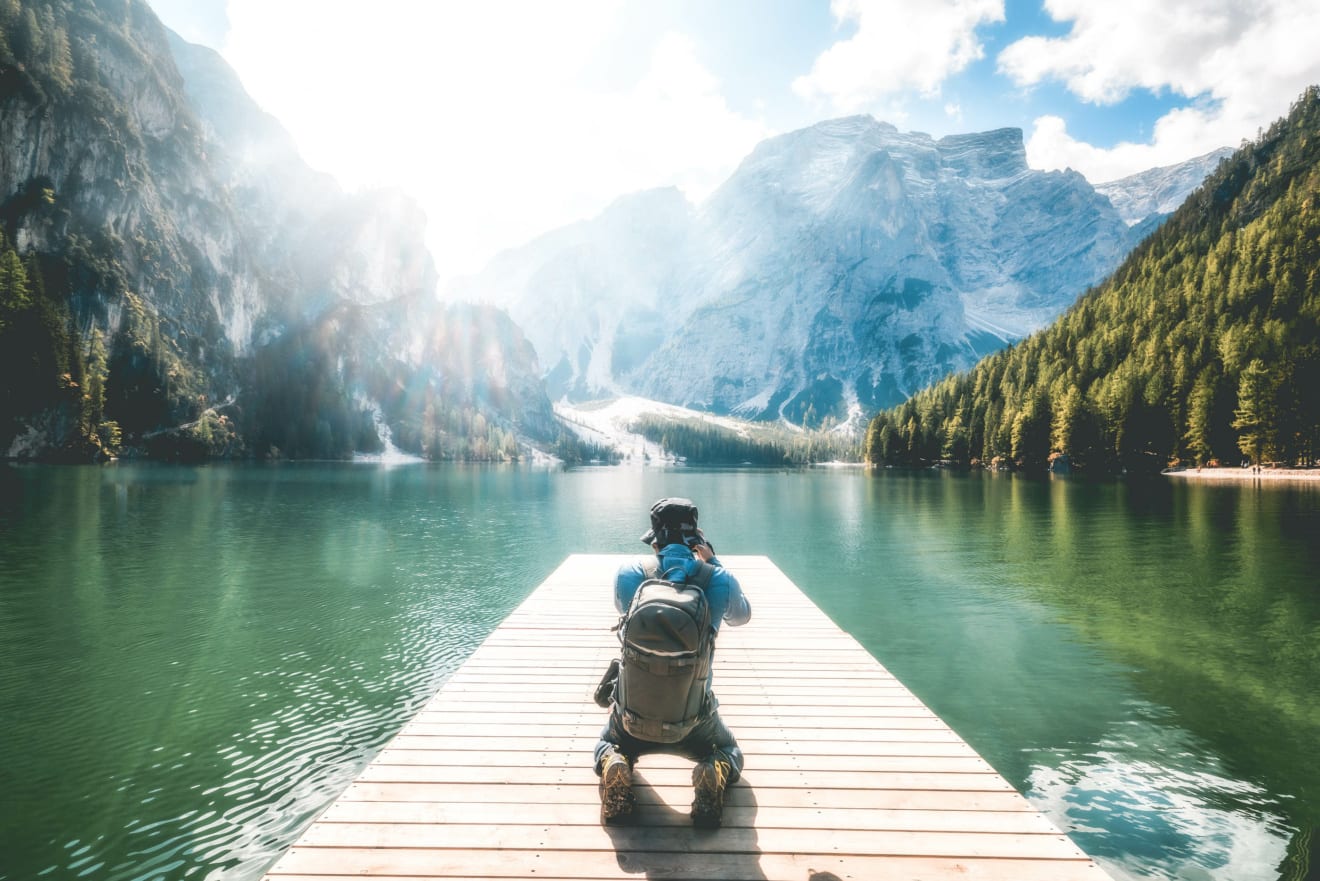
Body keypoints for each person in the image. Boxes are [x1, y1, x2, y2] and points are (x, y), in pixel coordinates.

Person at [593, 497, 752, 828]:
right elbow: (742, 616)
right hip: (695, 720)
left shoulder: (629, 575)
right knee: (730, 750)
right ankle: (714, 769)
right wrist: (713, 561)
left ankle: (614, 761)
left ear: (655, 538)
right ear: (695, 537)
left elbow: (625, 611)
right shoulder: (717, 579)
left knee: (605, 742)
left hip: (631, 717)